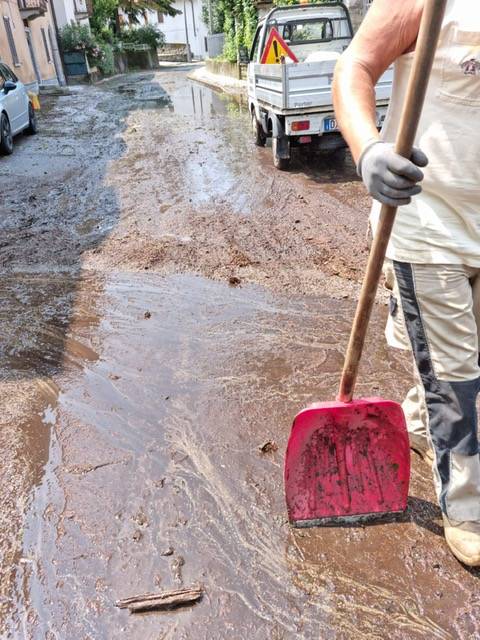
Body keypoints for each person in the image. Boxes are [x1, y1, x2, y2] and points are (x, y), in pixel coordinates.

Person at [333, 0, 480, 567]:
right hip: (428, 226)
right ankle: (466, 504)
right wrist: (368, 149)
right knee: (457, 376)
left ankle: (419, 425)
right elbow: (355, 67)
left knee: (467, 363)